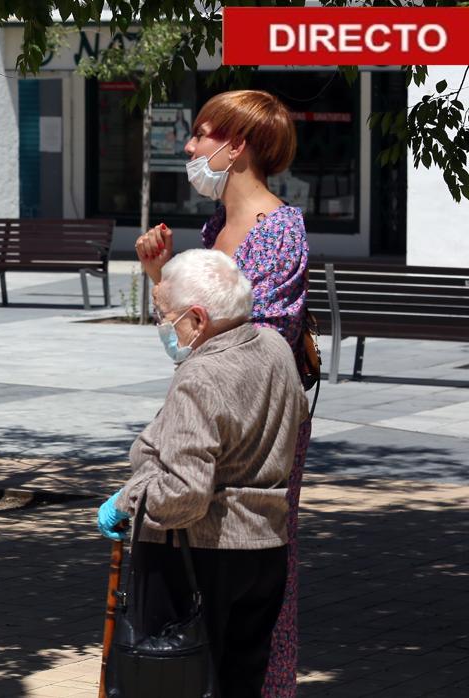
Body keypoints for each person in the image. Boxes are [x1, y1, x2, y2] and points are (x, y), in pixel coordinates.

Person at [133, 89, 309, 697]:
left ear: (238, 146)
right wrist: (162, 278)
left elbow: (245, 343)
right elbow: (200, 328)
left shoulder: (280, 230)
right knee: (200, 565)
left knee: (243, 570)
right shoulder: (216, 226)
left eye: (203, 133)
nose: (190, 145)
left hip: (251, 419)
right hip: (211, 408)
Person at [97, 249, 308, 697]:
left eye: (164, 315)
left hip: (200, 555)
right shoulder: (272, 346)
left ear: (197, 319)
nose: (162, 326)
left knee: (175, 681)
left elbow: (182, 496)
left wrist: (129, 500)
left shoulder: (201, 375)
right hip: (264, 548)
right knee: (240, 683)